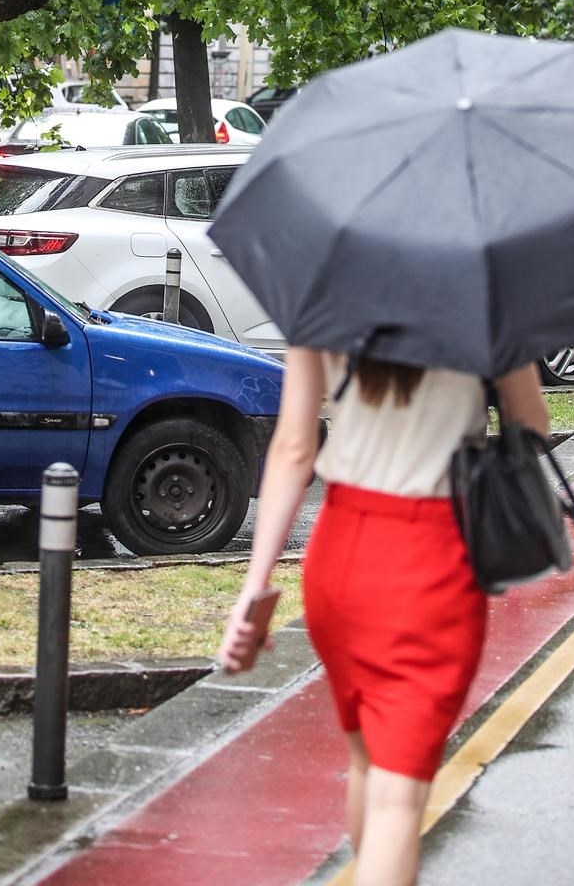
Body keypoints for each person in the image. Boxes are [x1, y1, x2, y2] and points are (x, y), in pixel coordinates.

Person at [218, 346, 549, 886]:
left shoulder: (325, 297)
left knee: (368, 763)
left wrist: (256, 585)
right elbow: (531, 423)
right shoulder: (486, 301)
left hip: (341, 551)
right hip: (436, 556)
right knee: (399, 797)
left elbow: (294, 449)